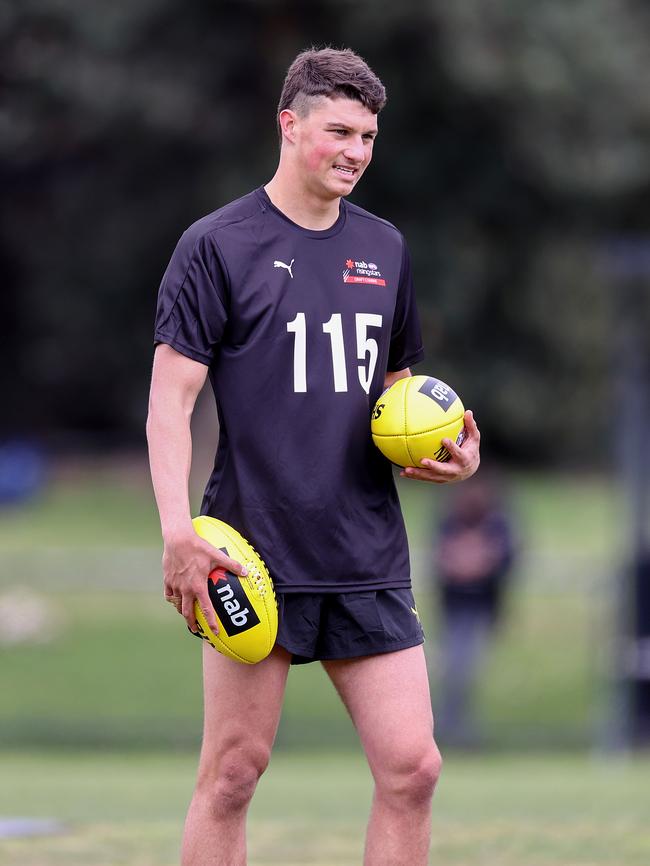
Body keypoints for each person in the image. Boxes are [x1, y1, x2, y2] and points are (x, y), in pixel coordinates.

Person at [146, 47, 480, 866]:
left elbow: (398, 393)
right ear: (289, 126)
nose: (356, 152)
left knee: (413, 769)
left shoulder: (387, 249)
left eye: (368, 136)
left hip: (365, 549)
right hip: (250, 553)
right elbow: (170, 402)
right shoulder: (216, 245)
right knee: (232, 773)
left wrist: (450, 455)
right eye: (339, 131)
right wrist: (177, 532)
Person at [433, 475, 515, 746]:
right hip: (453, 607)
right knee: (454, 668)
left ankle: (459, 729)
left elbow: (498, 559)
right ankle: (448, 728)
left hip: (482, 607)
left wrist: (475, 559)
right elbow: (446, 559)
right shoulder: (450, 519)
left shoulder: (497, 522)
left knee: (465, 669)